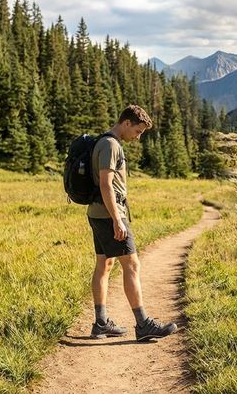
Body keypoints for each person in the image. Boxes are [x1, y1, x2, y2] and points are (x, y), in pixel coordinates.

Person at [88, 104, 177, 341]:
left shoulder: (105, 141)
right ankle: (143, 324)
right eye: (137, 131)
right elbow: (106, 184)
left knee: (104, 265)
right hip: (110, 214)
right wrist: (118, 220)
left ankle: (101, 323)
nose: (137, 138)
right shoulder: (110, 145)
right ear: (126, 123)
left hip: (98, 212)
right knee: (132, 265)